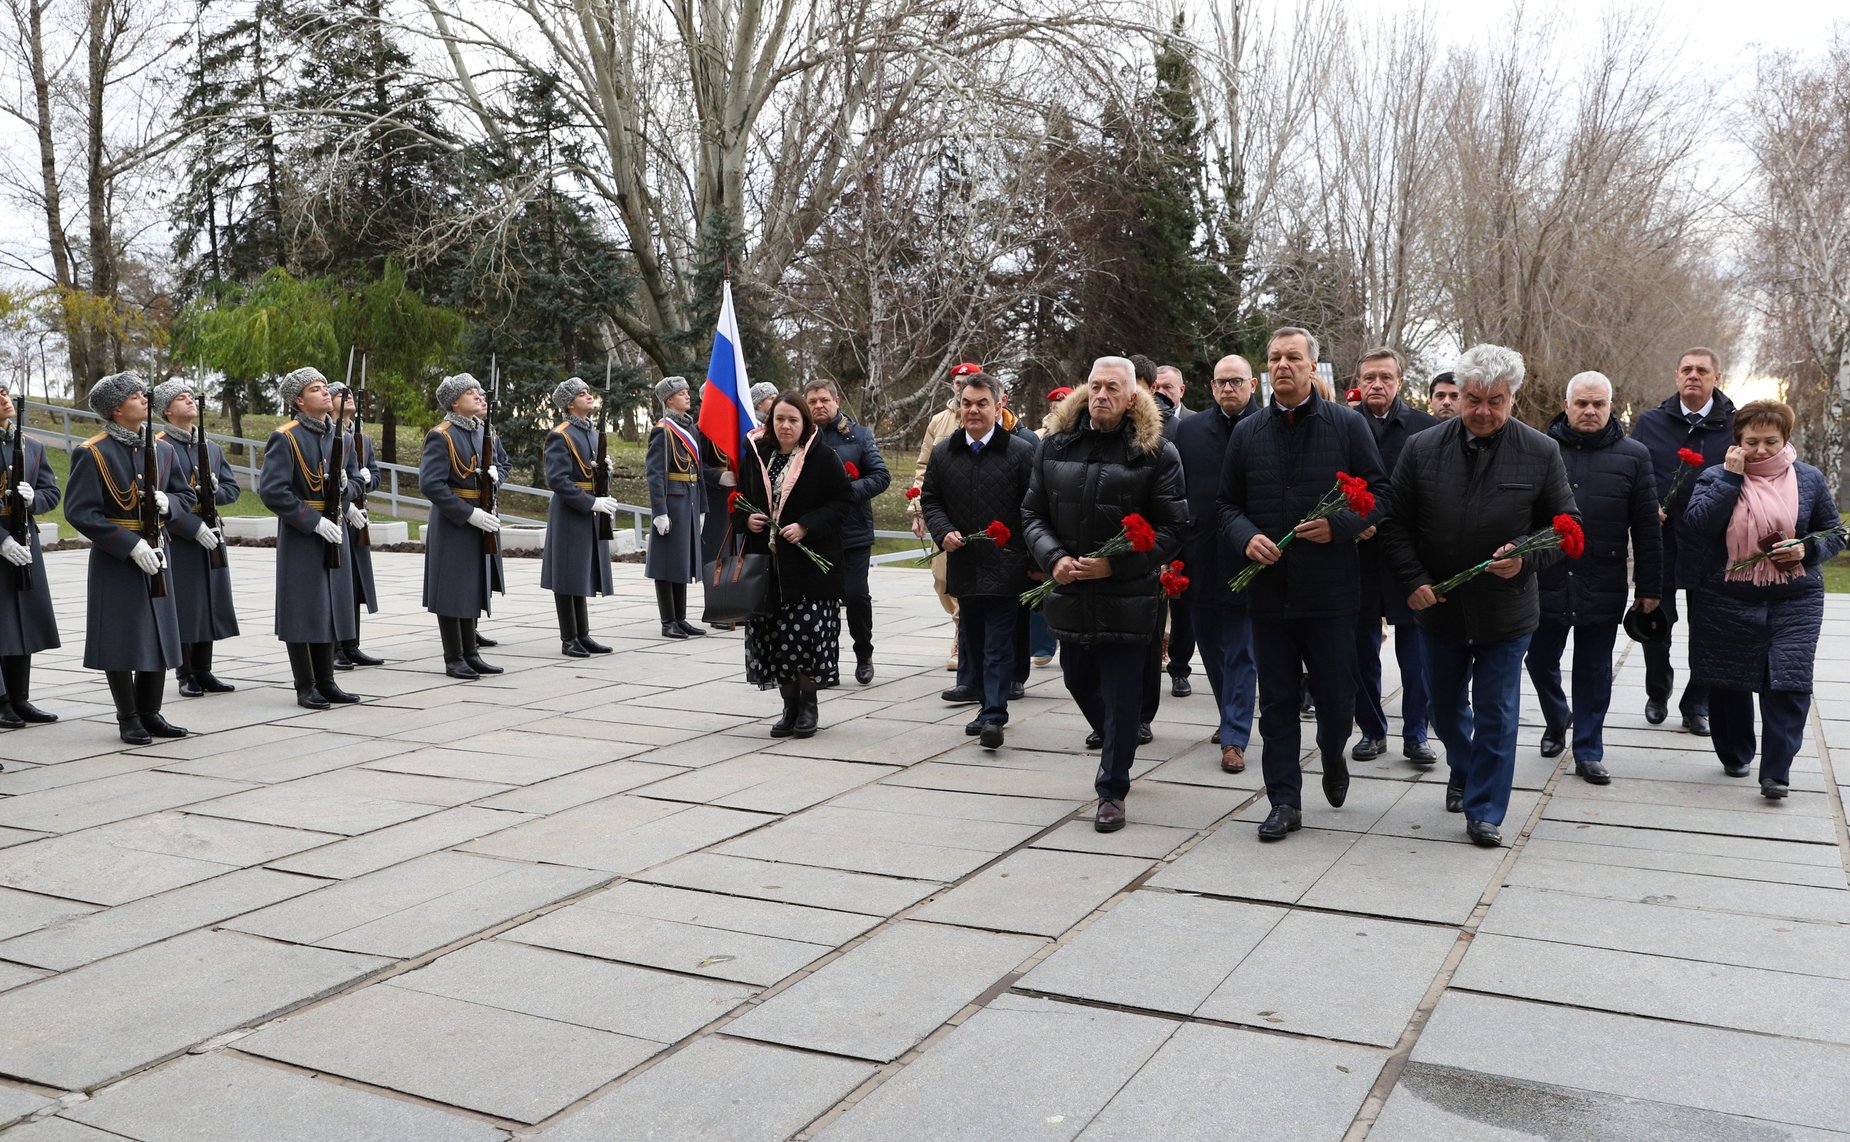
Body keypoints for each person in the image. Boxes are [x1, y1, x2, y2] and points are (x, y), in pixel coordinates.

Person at [1381, 344, 1576, 847]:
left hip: (1505, 611)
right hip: (1439, 607)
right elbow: (1394, 524)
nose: (1483, 411)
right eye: (1473, 400)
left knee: (1497, 711)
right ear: (1460, 395)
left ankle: (1485, 809)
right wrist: (1414, 580)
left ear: (1513, 398)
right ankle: (1464, 768)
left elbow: (1564, 527)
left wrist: (1526, 558)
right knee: (1444, 710)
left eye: (1496, 400)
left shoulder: (1540, 451)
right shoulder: (1423, 448)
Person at [1220, 328, 1389, 840]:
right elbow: (1227, 506)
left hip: (1331, 592)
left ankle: (1334, 750)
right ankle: (1285, 801)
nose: (1283, 366)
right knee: (1275, 702)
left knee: (1338, 698)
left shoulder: (1346, 426)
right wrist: (1247, 537)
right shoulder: (1248, 433)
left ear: (1313, 367)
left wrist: (1339, 527)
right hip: (1270, 594)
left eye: (1294, 357)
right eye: (1274, 358)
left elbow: (1380, 495)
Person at [1022, 357, 1186, 832]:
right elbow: (1032, 513)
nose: (1102, 395)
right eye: (1095, 386)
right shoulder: (1054, 445)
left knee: (1121, 695)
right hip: (1070, 590)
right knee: (1077, 680)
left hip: (1128, 596)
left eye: (1113, 387)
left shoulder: (1156, 452)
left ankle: (1112, 788)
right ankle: (1119, 739)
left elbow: (1174, 528)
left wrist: (1115, 563)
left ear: (1133, 395)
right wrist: (1054, 558)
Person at [1682, 400, 1843, 798]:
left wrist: (1806, 549)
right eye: (1752, 441)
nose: (1761, 450)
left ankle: (1776, 773)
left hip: (1795, 599)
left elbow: (1834, 533)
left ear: (1786, 440)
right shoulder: (1716, 476)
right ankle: (1735, 753)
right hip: (1725, 598)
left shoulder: (1808, 479)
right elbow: (1697, 526)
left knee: (1788, 682)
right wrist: (1731, 481)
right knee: (1728, 681)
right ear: (1737, 441)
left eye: (1771, 441)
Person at [1525, 372, 1661, 783]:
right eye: (1581, 403)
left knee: (1594, 670)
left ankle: (1588, 749)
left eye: (1598, 404)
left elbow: (1647, 527)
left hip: (1602, 578)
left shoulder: (1634, 455)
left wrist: (1651, 587)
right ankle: (1557, 717)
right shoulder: (1540, 449)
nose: (1589, 411)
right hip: (1546, 575)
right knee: (1539, 659)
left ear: (1610, 406)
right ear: (1566, 406)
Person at [65, 372, 189, 743]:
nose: (144, 398)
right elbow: (81, 512)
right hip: (117, 558)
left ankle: (151, 711)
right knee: (119, 638)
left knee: (159, 632)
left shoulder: (162, 449)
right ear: (118, 409)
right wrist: (127, 544)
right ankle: (128, 716)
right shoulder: (92, 452)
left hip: (158, 550)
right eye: (136, 396)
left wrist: (171, 507)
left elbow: (184, 495)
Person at [920, 371, 1036, 749]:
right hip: (965, 562)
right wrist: (943, 531)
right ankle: (986, 705)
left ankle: (994, 715)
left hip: (1006, 563)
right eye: (966, 403)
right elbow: (932, 500)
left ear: (999, 405)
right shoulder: (944, 451)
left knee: (998, 643)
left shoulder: (1020, 452)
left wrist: (1030, 557)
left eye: (981, 403)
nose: (973, 410)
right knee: (974, 638)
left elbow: (1034, 507)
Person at [736, 391, 855, 737]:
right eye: (779, 420)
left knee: (802, 640)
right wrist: (747, 521)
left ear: (804, 424)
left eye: (793, 420)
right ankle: (788, 707)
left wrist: (807, 525)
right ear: (770, 423)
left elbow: (842, 502)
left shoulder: (822, 457)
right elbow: (739, 502)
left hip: (809, 572)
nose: (786, 426)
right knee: (775, 640)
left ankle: (808, 706)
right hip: (768, 570)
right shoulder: (757, 456)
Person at [1631, 348, 1737, 736]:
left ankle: (1697, 705)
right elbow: (1634, 471)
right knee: (1654, 621)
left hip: (1713, 545)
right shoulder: (1651, 422)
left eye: (1702, 370)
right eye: (1686, 370)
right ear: (1676, 376)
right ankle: (1657, 692)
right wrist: (1646, 507)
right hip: (1660, 542)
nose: (1693, 375)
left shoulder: (1734, 426)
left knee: (1708, 630)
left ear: (1716, 378)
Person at [1349, 348, 1439, 766]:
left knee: (1415, 652)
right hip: (1358, 555)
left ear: (1401, 382)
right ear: (1359, 381)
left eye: (1386, 377)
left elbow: (1435, 492)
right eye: (1370, 378)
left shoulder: (1425, 429)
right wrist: (1350, 521)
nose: (1377, 385)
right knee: (1360, 648)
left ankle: (1416, 732)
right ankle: (1370, 729)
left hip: (1409, 558)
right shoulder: (1343, 425)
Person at [1174, 353, 1260, 773]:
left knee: (1241, 649)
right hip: (1199, 555)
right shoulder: (1189, 431)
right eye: (1221, 382)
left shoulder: (1267, 426)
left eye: (1236, 381)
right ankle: (1231, 714)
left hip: (1250, 557)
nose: (1229, 388)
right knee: (1210, 646)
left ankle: (1235, 736)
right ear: (1211, 388)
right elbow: (1175, 493)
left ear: (1252, 385)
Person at [259, 368, 363, 710]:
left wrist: (347, 492)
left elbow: (354, 486)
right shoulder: (285, 437)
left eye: (324, 388)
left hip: (334, 529)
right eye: (316, 390)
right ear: (299, 401)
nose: (324, 394)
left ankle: (327, 681)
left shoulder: (341, 437)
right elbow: (273, 491)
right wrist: (312, 522)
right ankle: (305, 685)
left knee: (329, 607)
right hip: (304, 534)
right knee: (303, 609)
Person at [152, 379, 241, 697]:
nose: (189, 401)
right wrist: (192, 528)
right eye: (180, 398)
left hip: (211, 532)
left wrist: (215, 489)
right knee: (186, 604)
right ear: (166, 410)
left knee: (208, 601)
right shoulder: (159, 446)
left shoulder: (211, 447)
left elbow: (233, 489)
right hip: (181, 535)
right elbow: (160, 500)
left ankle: (204, 669)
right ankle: (185, 672)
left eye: (191, 396)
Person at [420, 373, 505, 680]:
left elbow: (500, 465)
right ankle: (454, 657)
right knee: (451, 590)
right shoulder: (441, 435)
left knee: (471, 587)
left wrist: (496, 478)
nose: (478, 396)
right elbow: (431, 484)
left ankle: (471, 653)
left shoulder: (481, 430)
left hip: (480, 516)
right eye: (471, 393)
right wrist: (467, 513)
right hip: (454, 520)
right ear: (455, 402)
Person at [805, 379, 889, 685]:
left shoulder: (859, 435)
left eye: (824, 400)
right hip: (815, 535)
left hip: (852, 532)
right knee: (821, 602)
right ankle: (826, 663)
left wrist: (843, 492)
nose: (818, 406)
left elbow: (880, 477)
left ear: (836, 400)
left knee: (855, 596)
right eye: (812, 401)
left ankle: (863, 653)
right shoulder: (802, 437)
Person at [544, 377, 621, 656]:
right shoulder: (560, 434)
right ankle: (569, 638)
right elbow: (558, 480)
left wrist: (605, 473)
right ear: (569, 403)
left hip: (589, 508)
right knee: (567, 574)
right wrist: (590, 503)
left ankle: (583, 634)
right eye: (581, 394)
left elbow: (589, 472)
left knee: (581, 572)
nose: (588, 396)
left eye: (588, 392)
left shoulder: (590, 432)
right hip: (571, 511)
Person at [912, 364, 980, 677]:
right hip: (943, 514)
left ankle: (960, 637)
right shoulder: (939, 421)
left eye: (966, 382)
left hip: (976, 513)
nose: (960, 386)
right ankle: (961, 625)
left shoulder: (987, 415)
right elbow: (923, 467)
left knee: (968, 582)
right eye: (957, 382)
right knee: (942, 579)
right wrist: (918, 512)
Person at [0, 380, 59, 730]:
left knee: (20, 620)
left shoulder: (31, 445)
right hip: (4, 540)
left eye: (4, 392)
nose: (4, 399)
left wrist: (33, 498)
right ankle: (2, 700)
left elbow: (52, 492)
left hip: (24, 541)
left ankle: (19, 698)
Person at [646, 376, 708, 639]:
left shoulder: (690, 428)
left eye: (687, 392)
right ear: (669, 399)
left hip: (690, 499)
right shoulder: (663, 429)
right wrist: (660, 511)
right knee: (666, 563)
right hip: (673, 501)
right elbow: (655, 473)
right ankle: (667, 620)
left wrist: (702, 506)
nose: (687, 396)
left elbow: (699, 470)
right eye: (681, 393)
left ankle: (680, 618)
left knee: (681, 560)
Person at [331, 383, 385, 669]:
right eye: (340, 394)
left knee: (353, 582)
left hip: (357, 518)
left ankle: (352, 644)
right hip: (338, 515)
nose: (347, 396)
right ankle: (336, 646)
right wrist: (346, 506)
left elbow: (374, 475)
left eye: (348, 393)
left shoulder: (362, 438)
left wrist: (366, 479)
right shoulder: (332, 435)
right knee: (338, 582)